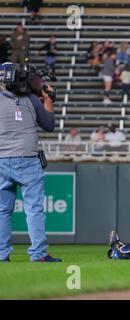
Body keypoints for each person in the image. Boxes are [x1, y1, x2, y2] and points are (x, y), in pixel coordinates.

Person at [0, 62, 61, 262]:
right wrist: (47, 100)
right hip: (26, 160)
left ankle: (1, 254)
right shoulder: (30, 100)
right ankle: (39, 254)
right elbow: (49, 125)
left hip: (1, 160)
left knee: (2, 210)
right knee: (34, 209)